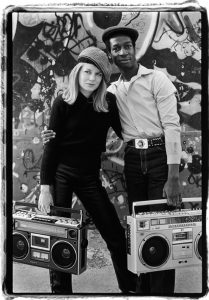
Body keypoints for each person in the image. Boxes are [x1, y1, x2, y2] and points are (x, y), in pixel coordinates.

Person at [38, 46, 137, 294]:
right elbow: (51, 146)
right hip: (61, 174)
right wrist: (44, 188)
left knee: (114, 235)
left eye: (98, 75)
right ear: (78, 71)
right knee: (61, 237)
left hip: (89, 177)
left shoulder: (107, 102)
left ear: (104, 79)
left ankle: (131, 291)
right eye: (88, 71)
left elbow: (126, 133)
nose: (92, 78)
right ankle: (61, 294)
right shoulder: (63, 102)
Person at [101, 26, 182, 295]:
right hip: (133, 159)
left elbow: (172, 127)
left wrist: (173, 177)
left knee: (160, 229)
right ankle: (144, 290)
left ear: (134, 49)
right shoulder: (112, 91)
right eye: (116, 48)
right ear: (110, 55)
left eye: (127, 46)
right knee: (140, 227)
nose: (122, 51)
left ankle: (162, 293)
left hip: (160, 157)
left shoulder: (157, 80)